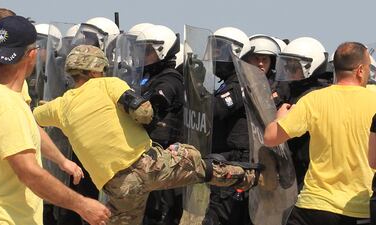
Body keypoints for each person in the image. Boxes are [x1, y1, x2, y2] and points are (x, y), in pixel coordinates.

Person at [33, 44, 262, 225]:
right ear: (95, 70)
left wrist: (49, 105)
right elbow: (143, 110)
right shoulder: (109, 84)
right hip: (148, 164)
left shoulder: (60, 107)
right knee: (196, 163)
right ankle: (251, 178)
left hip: (119, 185)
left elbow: (31, 115)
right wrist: (147, 123)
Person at [0, 15, 110, 225]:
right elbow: (29, 173)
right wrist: (82, 204)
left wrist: (62, 161)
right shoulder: (6, 104)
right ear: (32, 54)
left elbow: (30, 130)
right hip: (4, 218)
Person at [264, 41, 376, 225]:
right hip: (361, 209)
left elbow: (270, 138)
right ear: (361, 70)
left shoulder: (313, 100)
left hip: (314, 206)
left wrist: (279, 117)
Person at [129, 24, 184, 225]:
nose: (143, 56)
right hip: (145, 159)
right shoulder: (145, 78)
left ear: (162, 50)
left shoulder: (170, 78)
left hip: (164, 160)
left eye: (148, 51)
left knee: (158, 215)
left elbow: (155, 105)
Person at [204, 26, 253, 225]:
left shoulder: (241, 83)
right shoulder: (226, 83)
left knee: (220, 217)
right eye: (213, 50)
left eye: (220, 51)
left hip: (235, 163)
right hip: (221, 160)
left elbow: (217, 109)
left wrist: (196, 97)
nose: (215, 56)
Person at [273, 37, 331, 189]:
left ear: (309, 67)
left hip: (309, 173)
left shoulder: (316, 95)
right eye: (286, 66)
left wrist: (281, 112)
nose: (288, 72)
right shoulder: (292, 90)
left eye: (294, 68)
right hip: (291, 167)